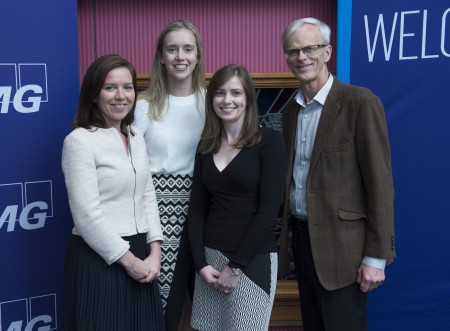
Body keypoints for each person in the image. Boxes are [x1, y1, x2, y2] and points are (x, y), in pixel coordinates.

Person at [278, 17, 396, 331]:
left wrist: (376, 257)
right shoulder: (290, 111)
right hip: (301, 245)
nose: (302, 57)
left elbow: (380, 185)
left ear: (327, 52)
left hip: (344, 251)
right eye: (293, 51)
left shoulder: (360, 102)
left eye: (310, 48)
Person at [62, 54, 165, 330]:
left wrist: (155, 251)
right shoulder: (79, 141)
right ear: (93, 95)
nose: (121, 95)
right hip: (99, 262)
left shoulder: (135, 136)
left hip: (142, 256)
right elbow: (87, 217)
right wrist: (130, 262)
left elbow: (147, 196)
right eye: (110, 87)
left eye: (127, 87)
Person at [187, 64, 287, 330]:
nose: (227, 100)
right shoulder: (206, 145)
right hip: (209, 262)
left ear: (248, 98)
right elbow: (196, 209)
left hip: (251, 260)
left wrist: (236, 267)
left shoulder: (270, 141)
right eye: (220, 93)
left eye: (235, 93)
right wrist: (201, 265)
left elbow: (269, 210)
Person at [133, 19, 205, 330]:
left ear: (198, 55)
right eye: (172, 49)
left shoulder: (213, 101)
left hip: (205, 209)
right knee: (162, 307)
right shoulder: (144, 105)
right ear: (161, 56)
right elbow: (132, 167)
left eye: (187, 49)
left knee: (208, 304)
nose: (180, 57)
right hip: (158, 212)